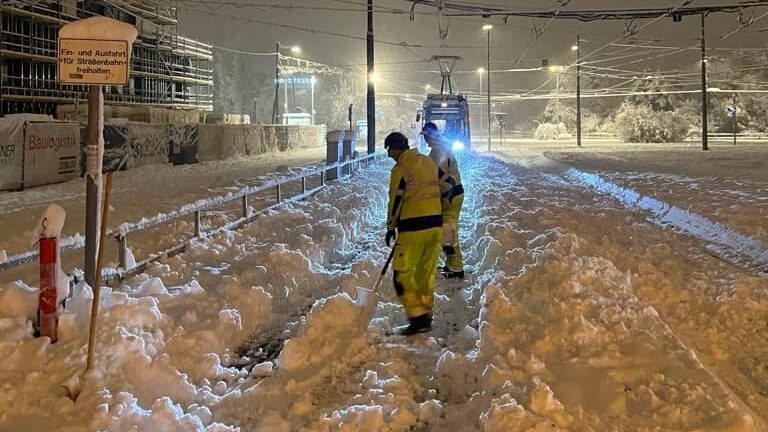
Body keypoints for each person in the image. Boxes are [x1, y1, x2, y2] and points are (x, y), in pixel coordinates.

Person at [384, 132, 443, 335]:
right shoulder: (428, 162)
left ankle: (417, 317)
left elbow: (396, 201)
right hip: (436, 226)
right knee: (425, 273)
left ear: (395, 147)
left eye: (389, 150)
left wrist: (391, 227)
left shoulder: (400, 169)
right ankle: (426, 315)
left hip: (412, 228)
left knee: (401, 274)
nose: (389, 155)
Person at [420, 122, 465, 279]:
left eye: (426, 136)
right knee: (447, 232)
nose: (425, 139)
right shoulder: (439, 147)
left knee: (448, 232)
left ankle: (456, 269)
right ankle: (452, 264)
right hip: (448, 195)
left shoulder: (439, 150)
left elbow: (436, 175)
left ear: (432, 135)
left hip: (451, 196)